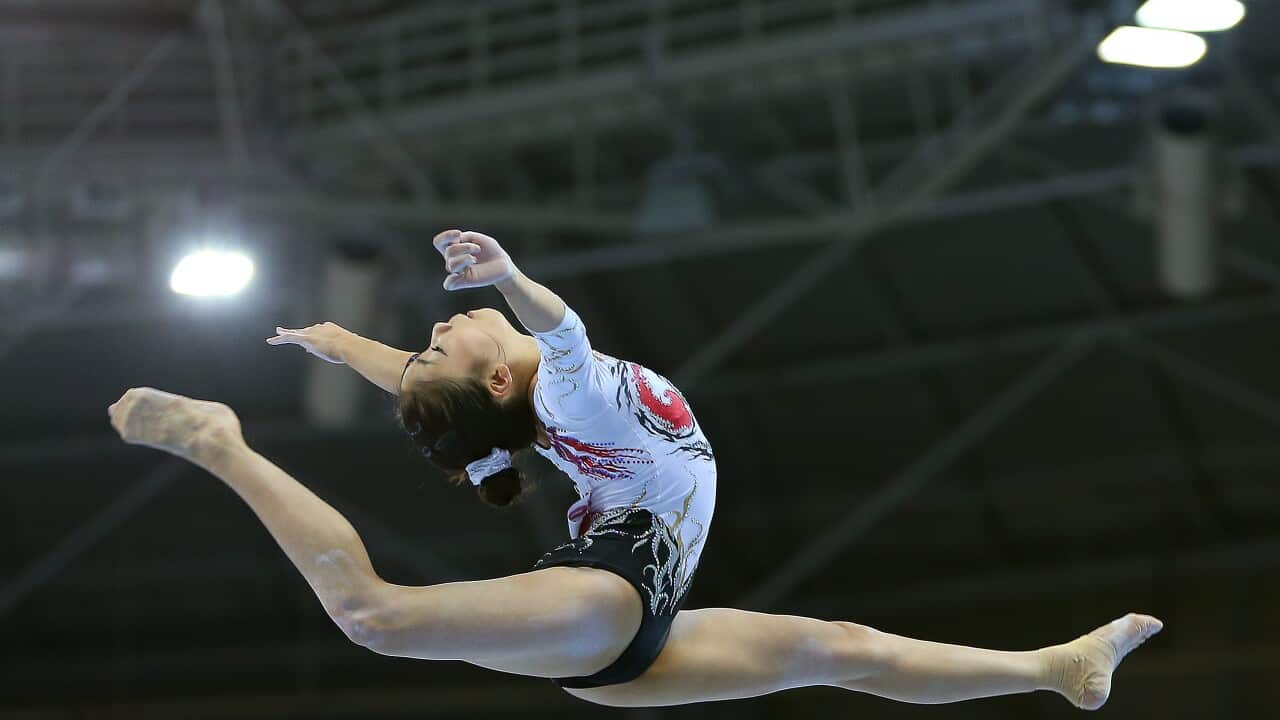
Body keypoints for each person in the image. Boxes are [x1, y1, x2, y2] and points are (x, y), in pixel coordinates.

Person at [107, 229, 1162, 710]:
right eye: (436, 344)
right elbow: (554, 334)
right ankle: (219, 444)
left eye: (425, 342)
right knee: (372, 616)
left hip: (634, 642)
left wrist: (344, 344)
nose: (433, 329)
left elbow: (440, 391)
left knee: (845, 648)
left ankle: (1052, 667)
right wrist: (509, 277)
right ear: (499, 378)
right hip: (611, 599)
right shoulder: (566, 392)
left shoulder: (528, 411)